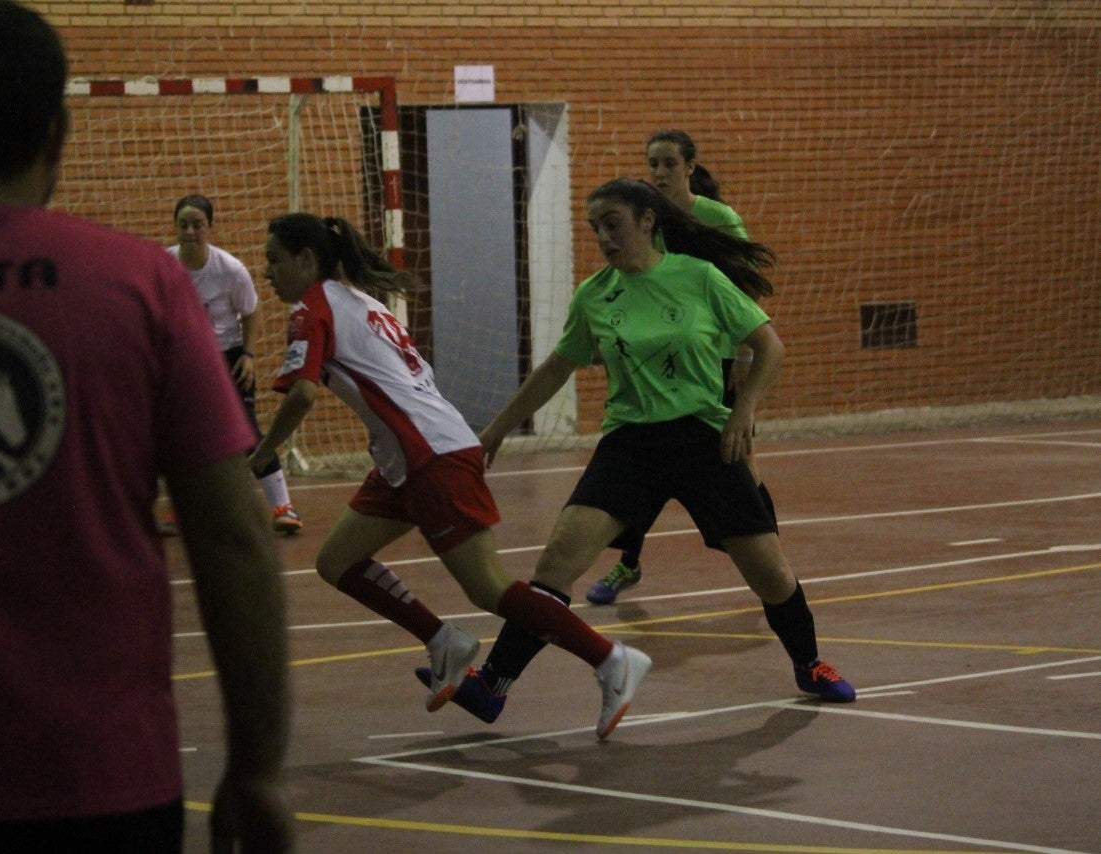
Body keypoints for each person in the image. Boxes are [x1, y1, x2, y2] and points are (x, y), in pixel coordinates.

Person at [0, 2, 293, 851]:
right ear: (59, 130)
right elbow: (234, 539)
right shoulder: (141, 286)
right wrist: (256, 768)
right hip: (101, 780)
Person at [435, 177, 855, 726]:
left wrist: (744, 409)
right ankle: (493, 683)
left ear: (648, 221)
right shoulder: (595, 294)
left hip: (704, 441)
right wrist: (494, 431)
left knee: (772, 576)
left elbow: (768, 345)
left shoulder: (698, 278)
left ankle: (809, 664)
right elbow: (558, 367)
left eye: (614, 224)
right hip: (630, 445)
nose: (604, 237)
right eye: (595, 229)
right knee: (558, 560)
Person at [248, 212, 650, 740]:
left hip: (429, 455)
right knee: (336, 560)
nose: (267, 271)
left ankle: (611, 659)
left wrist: (263, 452)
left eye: (274, 259)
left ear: (305, 259)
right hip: (406, 457)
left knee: (489, 588)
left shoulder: (312, 310)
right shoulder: (363, 303)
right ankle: (443, 642)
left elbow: (301, 394)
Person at [586, 129, 777, 606]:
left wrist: (745, 357)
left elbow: (744, 287)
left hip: (716, 361)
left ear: (690, 167)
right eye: (653, 163)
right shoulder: (648, 218)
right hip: (660, 364)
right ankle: (627, 563)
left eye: (669, 163)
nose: (659, 172)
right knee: (643, 464)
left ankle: (773, 561)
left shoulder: (718, 219)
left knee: (741, 462)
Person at [169, 194, 304, 535]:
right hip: (186, 360)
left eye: (197, 225)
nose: (190, 232)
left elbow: (252, 311)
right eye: (183, 225)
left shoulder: (229, 270)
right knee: (180, 434)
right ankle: (180, 509)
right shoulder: (165, 265)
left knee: (245, 432)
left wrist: (248, 354)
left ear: (210, 228)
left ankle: (282, 507)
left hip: (228, 357)